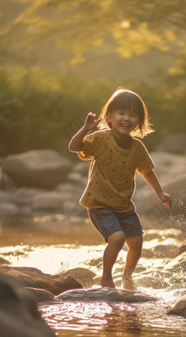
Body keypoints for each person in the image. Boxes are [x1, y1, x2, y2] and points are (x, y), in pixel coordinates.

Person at [69, 87, 171, 290]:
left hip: (124, 206)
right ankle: (106, 277)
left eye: (133, 115)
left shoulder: (137, 147)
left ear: (139, 121)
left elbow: (147, 170)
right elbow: (74, 147)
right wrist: (86, 128)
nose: (127, 118)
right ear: (109, 116)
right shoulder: (100, 139)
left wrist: (160, 192)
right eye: (121, 113)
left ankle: (127, 277)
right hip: (98, 203)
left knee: (137, 242)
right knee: (117, 238)